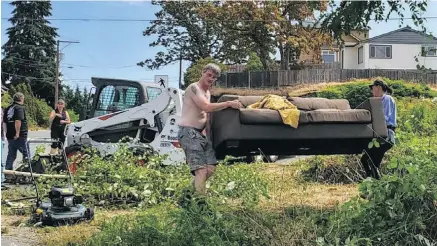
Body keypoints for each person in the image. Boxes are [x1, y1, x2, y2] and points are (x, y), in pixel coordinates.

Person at [178, 63, 243, 195]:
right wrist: (229, 103)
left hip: (200, 134)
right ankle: (200, 204)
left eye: (214, 77)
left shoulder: (207, 93)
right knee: (200, 170)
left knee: (211, 167)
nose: (211, 78)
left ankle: (189, 194)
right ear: (203, 72)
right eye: (209, 75)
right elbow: (206, 107)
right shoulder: (194, 88)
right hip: (189, 132)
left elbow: (206, 116)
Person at [360, 79, 397, 180]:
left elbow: (384, 117)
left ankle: (375, 183)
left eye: (373, 89)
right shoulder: (378, 101)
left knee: (373, 163)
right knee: (365, 159)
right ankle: (371, 181)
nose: (372, 92)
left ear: (379, 88)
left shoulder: (387, 99)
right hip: (379, 134)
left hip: (387, 134)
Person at [3, 92, 29, 171]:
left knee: (11, 155)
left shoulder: (8, 108)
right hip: (19, 136)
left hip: (10, 136)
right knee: (26, 154)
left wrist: (6, 133)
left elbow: (4, 122)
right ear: (21, 98)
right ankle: (27, 171)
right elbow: (18, 121)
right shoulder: (19, 108)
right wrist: (17, 133)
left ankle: (8, 172)